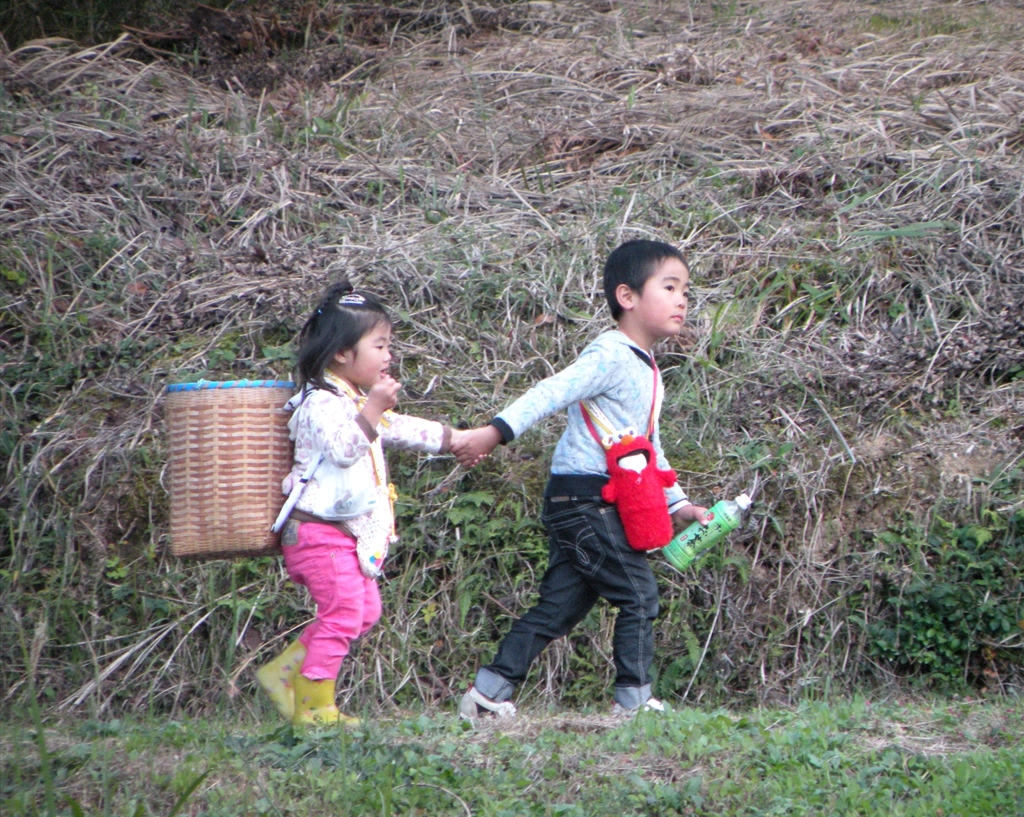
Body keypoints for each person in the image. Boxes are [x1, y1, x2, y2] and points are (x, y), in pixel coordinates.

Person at [452, 239, 712, 718]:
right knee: (639, 593)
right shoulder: (612, 355)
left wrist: (680, 505)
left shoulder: (646, 365)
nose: (682, 301)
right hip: (585, 499)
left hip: (592, 500)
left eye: (686, 291)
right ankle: (633, 705)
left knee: (560, 607)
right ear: (627, 296)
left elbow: (648, 448)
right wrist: (495, 431)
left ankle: (487, 695)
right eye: (670, 287)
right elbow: (554, 390)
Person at [256, 282, 457, 727]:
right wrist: (372, 411)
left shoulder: (351, 400)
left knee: (365, 611)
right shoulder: (320, 403)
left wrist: (453, 439)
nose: (389, 356)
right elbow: (346, 448)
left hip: (343, 533)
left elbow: (397, 427)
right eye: (381, 345)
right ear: (343, 353)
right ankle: (314, 708)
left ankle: (281, 674)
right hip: (316, 531)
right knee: (343, 611)